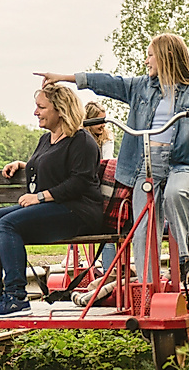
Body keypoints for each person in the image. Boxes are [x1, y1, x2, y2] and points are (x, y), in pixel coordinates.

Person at [36, 32, 189, 286]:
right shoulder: (140, 87)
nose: (146, 61)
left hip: (180, 164)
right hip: (145, 166)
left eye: (150, 55)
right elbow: (107, 82)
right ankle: (148, 286)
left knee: (176, 194)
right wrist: (64, 78)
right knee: (144, 227)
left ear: (166, 56)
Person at [0, 84, 102, 317]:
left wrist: (40, 197)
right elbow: (52, 167)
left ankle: (16, 298)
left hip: (78, 212)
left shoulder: (82, 141)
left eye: (41, 107)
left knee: (7, 225)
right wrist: (24, 166)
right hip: (51, 207)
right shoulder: (47, 140)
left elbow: (80, 182)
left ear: (61, 110)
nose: (36, 112)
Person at [84, 101, 118, 273]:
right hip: (87, 183)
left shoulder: (106, 137)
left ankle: (109, 270)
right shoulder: (82, 137)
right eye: (98, 121)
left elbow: (107, 161)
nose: (102, 124)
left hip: (100, 181)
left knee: (109, 225)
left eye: (104, 120)